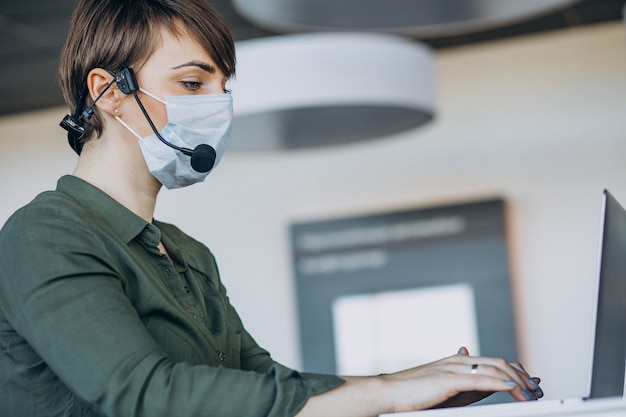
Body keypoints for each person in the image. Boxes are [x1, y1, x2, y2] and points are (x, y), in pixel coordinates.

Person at [0, 0, 543, 416]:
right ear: (108, 92)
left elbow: (264, 382)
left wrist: (416, 383)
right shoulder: (45, 235)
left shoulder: (187, 253)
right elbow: (145, 392)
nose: (215, 106)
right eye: (192, 83)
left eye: (220, 88)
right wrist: (389, 394)